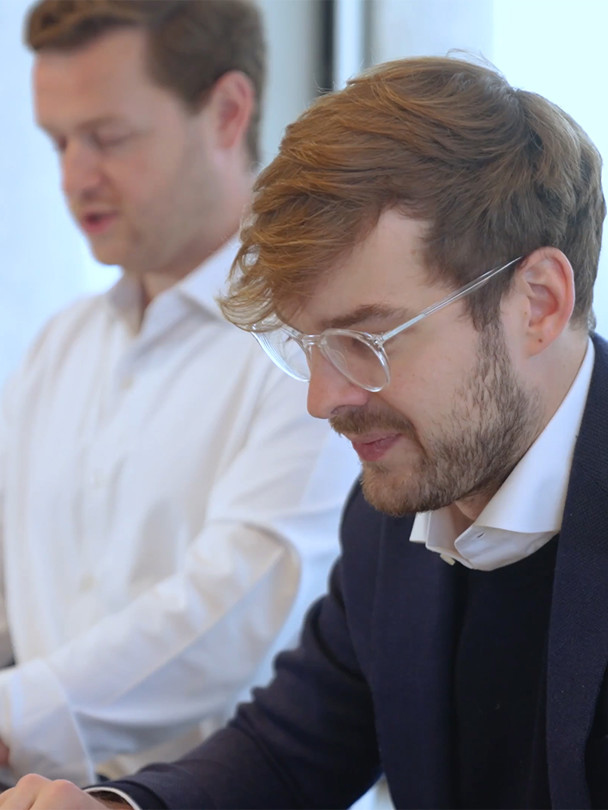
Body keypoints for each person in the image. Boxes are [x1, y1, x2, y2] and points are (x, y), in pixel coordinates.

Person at [2, 52, 608, 809]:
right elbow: (288, 753)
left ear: (539, 304)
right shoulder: (395, 516)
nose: (323, 399)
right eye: (312, 346)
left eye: (370, 340)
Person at [0, 0, 357, 788]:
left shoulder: (313, 338)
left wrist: (12, 715)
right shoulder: (60, 348)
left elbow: (236, 612)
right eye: (58, 142)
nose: (73, 177)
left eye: (107, 138)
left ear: (228, 111)